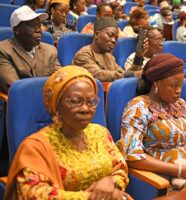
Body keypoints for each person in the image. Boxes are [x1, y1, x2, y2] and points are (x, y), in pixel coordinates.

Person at [4, 66, 131, 199]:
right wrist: (91, 197)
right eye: (75, 101)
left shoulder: (100, 133)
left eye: (91, 102)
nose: (85, 109)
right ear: (56, 105)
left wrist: (111, 181)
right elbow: (34, 193)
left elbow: (120, 169)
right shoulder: (35, 147)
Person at [117, 53, 186, 191]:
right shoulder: (139, 107)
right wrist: (180, 170)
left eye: (181, 85)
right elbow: (132, 155)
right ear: (156, 84)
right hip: (163, 180)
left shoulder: (180, 104)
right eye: (174, 86)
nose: (179, 91)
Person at [0, 5, 61, 92]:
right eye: (32, 26)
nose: (38, 30)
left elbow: (62, 80)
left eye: (39, 25)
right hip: (22, 103)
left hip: (50, 101)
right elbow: (15, 89)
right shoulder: (3, 50)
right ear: (17, 30)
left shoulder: (50, 50)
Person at [73, 17, 141, 82]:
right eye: (110, 35)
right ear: (97, 34)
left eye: (116, 38)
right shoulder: (83, 55)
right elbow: (98, 75)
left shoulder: (109, 56)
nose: (114, 41)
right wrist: (134, 74)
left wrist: (138, 56)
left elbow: (124, 75)